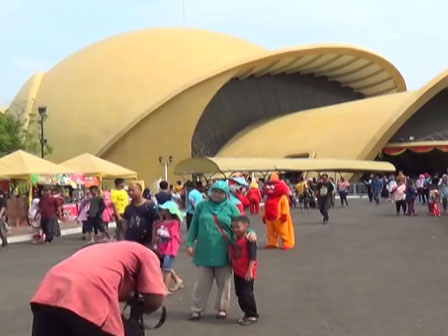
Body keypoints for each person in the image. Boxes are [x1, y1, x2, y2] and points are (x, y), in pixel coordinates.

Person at [30, 241, 166, 336]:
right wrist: (139, 310)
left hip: (49, 291)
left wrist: (129, 298)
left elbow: (100, 276)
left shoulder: (111, 249)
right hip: (86, 294)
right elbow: (154, 300)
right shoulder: (149, 255)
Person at [186, 180, 242, 321]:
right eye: (214, 191)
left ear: (226, 194)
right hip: (204, 250)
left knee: (224, 283)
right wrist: (189, 243)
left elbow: (242, 225)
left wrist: (248, 238)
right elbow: (194, 226)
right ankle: (196, 309)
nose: (217, 194)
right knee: (201, 283)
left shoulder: (231, 207)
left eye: (221, 192)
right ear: (210, 192)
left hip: (224, 250)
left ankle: (222, 309)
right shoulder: (201, 206)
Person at [230, 216, 259, 326]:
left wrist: (249, 271)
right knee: (240, 293)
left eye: (238, 227)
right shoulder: (237, 239)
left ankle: (252, 314)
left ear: (246, 226)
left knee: (246, 294)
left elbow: (253, 257)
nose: (235, 229)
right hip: (238, 271)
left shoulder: (249, 240)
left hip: (246, 272)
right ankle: (247, 313)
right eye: (233, 227)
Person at [153, 201, 183, 293]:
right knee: (165, 266)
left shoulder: (174, 222)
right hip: (162, 247)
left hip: (170, 247)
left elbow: (171, 234)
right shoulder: (161, 222)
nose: (161, 210)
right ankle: (178, 280)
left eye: (163, 209)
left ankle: (165, 288)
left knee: (166, 268)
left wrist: (161, 232)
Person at [262, 173, 295, 249]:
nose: (270, 188)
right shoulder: (269, 197)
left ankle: (287, 242)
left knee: (284, 230)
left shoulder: (282, 197)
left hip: (279, 217)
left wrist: (284, 215)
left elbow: (285, 206)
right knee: (270, 231)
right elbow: (266, 207)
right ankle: (272, 242)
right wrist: (264, 215)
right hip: (269, 218)